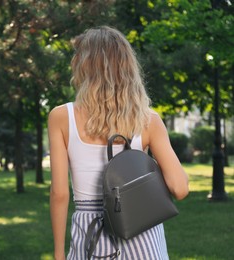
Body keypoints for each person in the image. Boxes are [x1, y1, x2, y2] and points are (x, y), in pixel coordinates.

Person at [48, 26, 189, 260]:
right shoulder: (148, 120)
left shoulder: (62, 117)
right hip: (142, 232)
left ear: (85, 65)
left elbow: (59, 193)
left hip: (90, 234)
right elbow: (180, 189)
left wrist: (58, 254)